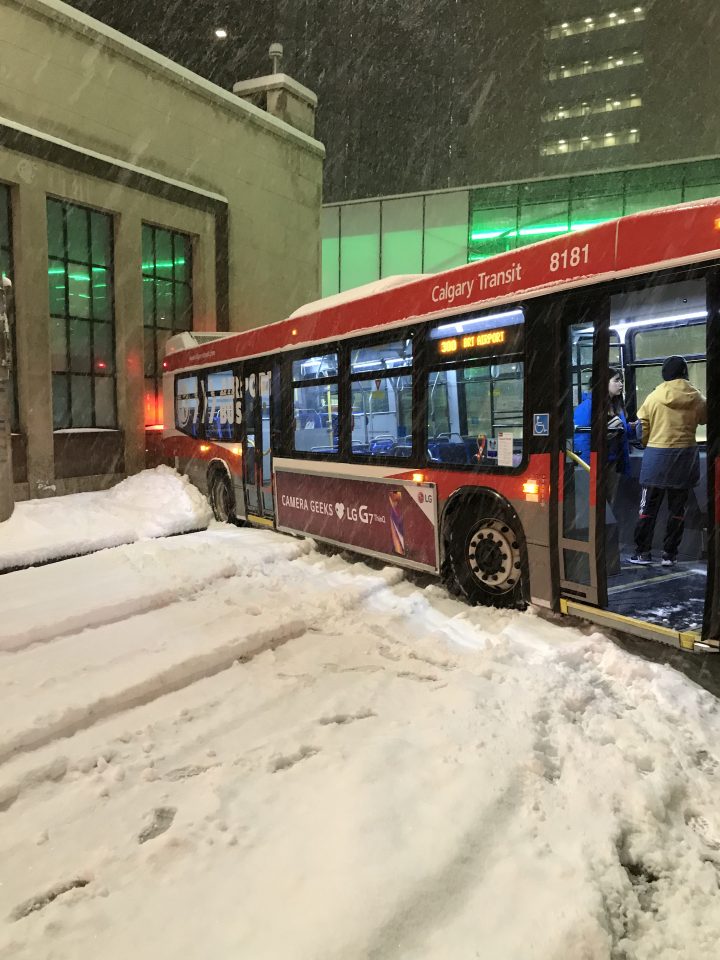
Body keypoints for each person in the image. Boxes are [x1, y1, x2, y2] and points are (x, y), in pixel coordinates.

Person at [630, 355, 707, 565]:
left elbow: (642, 427)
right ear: (684, 372)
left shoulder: (654, 397)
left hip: (656, 459)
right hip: (685, 460)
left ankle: (642, 552)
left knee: (647, 509)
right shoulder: (696, 397)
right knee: (677, 510)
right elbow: (704, 418)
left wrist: (646, 441)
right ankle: (669, 555)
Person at [574, 368, 638, 502]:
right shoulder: (587, 407)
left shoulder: (616, 406)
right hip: (596, 463)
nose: (621, 384)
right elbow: (581, 438)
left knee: (608, 502)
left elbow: (622, 433)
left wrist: (633, 428)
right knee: (598, 503)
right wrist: (589, 467)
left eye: (621, 381)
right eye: (616, 380)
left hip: (613, 461)